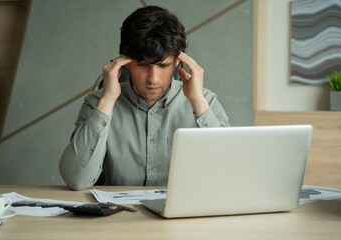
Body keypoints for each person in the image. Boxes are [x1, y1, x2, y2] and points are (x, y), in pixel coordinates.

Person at [59, 6, 230, 190]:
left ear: (178, 61)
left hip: (182, 216)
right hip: (120, 216)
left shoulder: (206, 101)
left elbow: (230, 175)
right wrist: (107, 102)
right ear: (125, 62)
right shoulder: (97, 102)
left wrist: (198, 102)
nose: (153, 79)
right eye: (142, 65)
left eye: (163, 65)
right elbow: (76, 180)